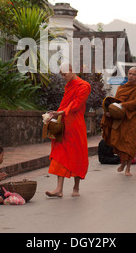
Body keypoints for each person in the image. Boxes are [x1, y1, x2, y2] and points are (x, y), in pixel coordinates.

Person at [45, 62, 91, 198]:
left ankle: (76, 187)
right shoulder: (69, 85)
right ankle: (59, 189)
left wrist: (60, 112)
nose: (64, 77)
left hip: (76, 125)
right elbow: (65, 103)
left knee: (77, 155)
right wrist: (55, 115)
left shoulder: (84, 86)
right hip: (64, 124)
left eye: (64, 74)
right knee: (60, 154)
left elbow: (76, 105)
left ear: (72, 71)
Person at [101, 67, 136, 176]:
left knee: (129, 144)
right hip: (119, 119)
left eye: (134, 74)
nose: (131, 76)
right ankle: (123, 163)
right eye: (130, 74)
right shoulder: (121, 88)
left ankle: (128, 168)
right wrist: (110, 112)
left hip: (130, 119)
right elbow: (115, 102)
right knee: (118, 141)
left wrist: (123, 105)